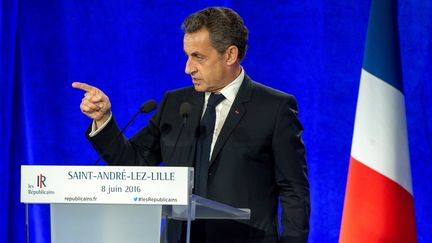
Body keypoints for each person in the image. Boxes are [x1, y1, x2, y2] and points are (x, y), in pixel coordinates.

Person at [72, 7, 310, 243]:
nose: (188, 68)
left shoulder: (274, 108)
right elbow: (134, 162)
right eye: (187, 55)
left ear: (230, 55)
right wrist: (103, 119)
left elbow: (294, 191)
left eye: (199, 57)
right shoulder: (175, 104)